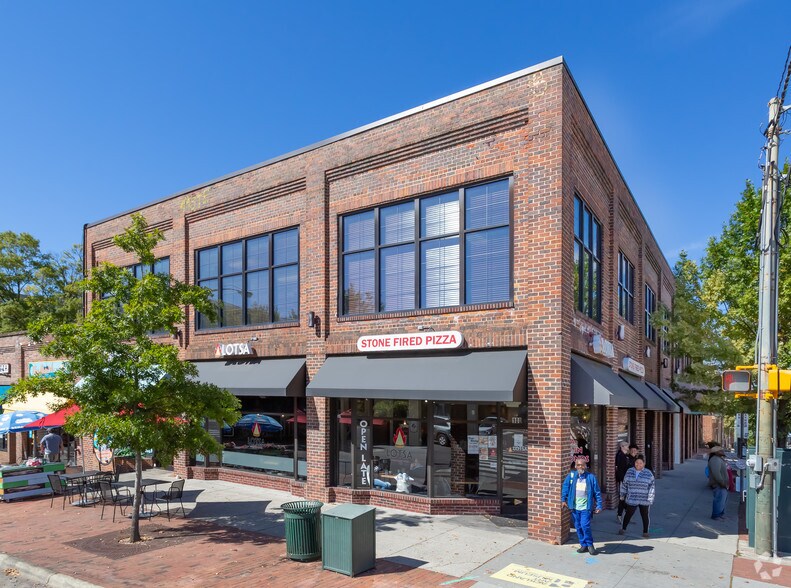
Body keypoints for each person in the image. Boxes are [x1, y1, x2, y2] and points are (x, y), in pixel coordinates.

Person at [561, 456, 603, 555]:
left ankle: (590, 544)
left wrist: (599, 505)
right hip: (574, 507)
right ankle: (583, 544)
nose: (581, 467)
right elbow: (565, 488)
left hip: (586, 507)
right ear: (575, 466)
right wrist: (563, 500)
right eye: (578, 465)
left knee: (585, 526)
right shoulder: (571, 476)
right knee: (578, 526)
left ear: (586, 466)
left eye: (582, 465)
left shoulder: (591, 477)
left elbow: (597, 492)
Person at [618, 454, 655, 537]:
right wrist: (622, 494)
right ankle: (623, 528)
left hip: (644, 498)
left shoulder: (648, 473)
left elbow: (652, 487)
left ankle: (645, 531)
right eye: (637, 462)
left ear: (644, 463)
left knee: (645, 515)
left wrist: (651, 497)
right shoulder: (630, 471)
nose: (638, 464)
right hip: (632, 497)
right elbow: (624, 484)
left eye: (640, 463)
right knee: (628, 514)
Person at [708, 445, 729, 520]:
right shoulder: (715, 460)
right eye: (720, 450)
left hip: (722, 484)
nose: (722, 451)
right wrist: (721, 483)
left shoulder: (719, 459)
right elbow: (716, 473)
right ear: (716, 452)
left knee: (722, 499)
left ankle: (720, 514)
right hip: (718, 484)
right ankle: (716, 515)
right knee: (719, 499)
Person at [615, 441, 632, 523]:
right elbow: (620, 470)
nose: (628, 447)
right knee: (622, 498)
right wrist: (623, 480)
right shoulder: (620, 456)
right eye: (626, 445)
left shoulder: (625, 456)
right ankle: (620, 514)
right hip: (623, 480)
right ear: (622, 446)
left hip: (626, 480)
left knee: (626, 498)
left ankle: (625, 513)